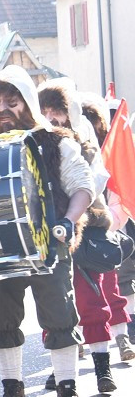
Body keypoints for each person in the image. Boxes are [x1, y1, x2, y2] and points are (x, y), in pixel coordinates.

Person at [0, 66, 92, 397]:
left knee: (60, 319)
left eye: (11, 102)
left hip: (50, 245)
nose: (2, 110)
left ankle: (67, 395)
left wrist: (67, 221)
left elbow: (82, 187)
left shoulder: (56, 141)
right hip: (0, 248)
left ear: (27, 104)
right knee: (3, 321)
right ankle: (14, 394)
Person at [38, 80, 118, 393]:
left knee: (92, 302)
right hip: (47, 233)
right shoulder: (34, 143)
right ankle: (60, 369)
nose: (51, 117)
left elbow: (96, 178)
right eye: (45, 111)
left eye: (56, 111)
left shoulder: (83, 140)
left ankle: (102, 368)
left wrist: (72, 197)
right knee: (51, 305)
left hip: (84, 231)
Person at [82, 95, 135, 361]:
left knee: (113, 287)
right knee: (73, 295)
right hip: (70, 235)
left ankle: (123, 337)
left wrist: (106, 226)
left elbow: (119, 199)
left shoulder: (110, 154)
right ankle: (76, 340)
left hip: (103, 233)